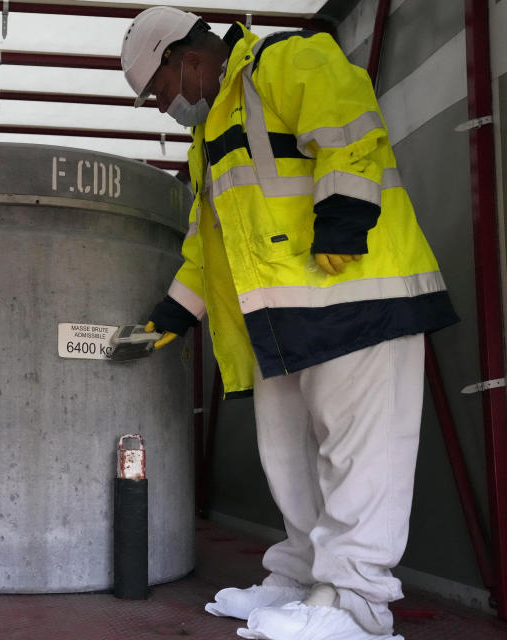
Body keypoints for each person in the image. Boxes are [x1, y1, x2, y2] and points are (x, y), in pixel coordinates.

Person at [120, 6, 458, 640]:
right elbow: (207, 250)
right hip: (281, 322)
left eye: (159, 92)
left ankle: (356, 603)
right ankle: (302, 580)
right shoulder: (207, 145)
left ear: (185, 59)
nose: (163, 107)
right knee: (289, 458)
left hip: (360, 294)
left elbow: (347, 122)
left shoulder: (282, 60)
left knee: (362, 456)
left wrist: (343, 216)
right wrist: (167, 319)